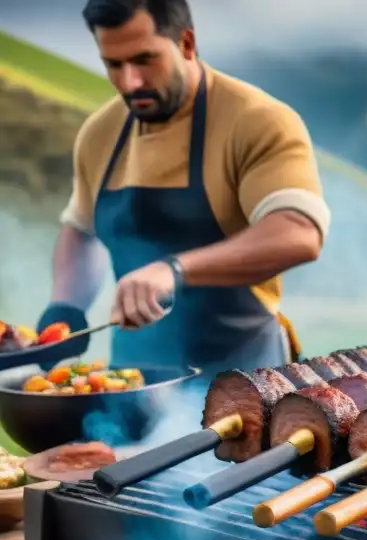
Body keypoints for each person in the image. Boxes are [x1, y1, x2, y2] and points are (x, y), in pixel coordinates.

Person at [37, 0, 331, 375]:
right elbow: (82, 229)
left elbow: (299, 233)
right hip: (131, 379)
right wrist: (66, 305)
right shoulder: (101, 132)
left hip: (244, 377)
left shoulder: (258, 120)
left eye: (145, 59)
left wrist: (172, 269)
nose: (130, 82)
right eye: (114, 65)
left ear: (187, 43)